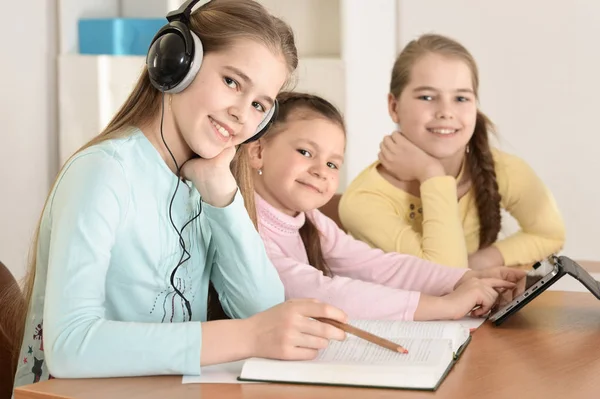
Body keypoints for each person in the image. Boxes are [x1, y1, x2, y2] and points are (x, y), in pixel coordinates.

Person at [13, 0, 348, 388]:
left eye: (259, 104)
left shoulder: (205, 180)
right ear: (177, 63)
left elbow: (265, 310)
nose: (242, 113)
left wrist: (221, 194)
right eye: (232, 82)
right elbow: (69, 345)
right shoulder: (103, 172)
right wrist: (248, 335)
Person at [241, 91, 525, 321]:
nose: (321, 170)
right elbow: (320, 293)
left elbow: (378, 266)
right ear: (258, 151)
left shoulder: (310, 219)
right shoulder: (244, 225)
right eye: (305, 152)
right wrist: (445, 307)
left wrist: (464, 278)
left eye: (332, 163)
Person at [339, 34, 565, 269]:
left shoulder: (503, 169)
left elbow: (550, 234)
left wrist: (483, 260)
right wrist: (432, 174)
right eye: (427, 97)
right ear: (394, 107)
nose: (446, 111)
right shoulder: (363, 201)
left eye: (460, 98)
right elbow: (445, 274)